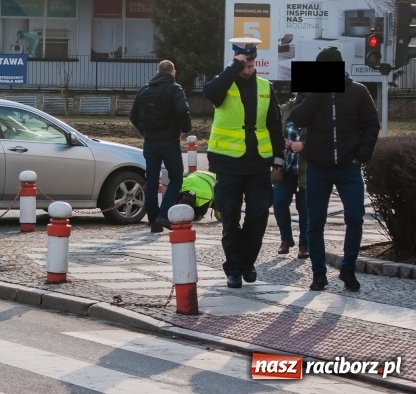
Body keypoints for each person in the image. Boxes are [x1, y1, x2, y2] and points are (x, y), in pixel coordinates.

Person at [289, 47, 379, 292]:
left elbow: (371, 124)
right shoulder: (308, 90)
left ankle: (348, 269)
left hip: (349, 167)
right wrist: (317, 93)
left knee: (355, 218)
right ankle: (319, 273)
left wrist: (361, 156)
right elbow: (298, 118)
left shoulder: (358, 91)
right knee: (315, 221)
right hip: (317, 166)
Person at [204, 38, 284, 289]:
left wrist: (278, 157)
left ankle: (247, 263)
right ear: (235, 62)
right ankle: (234, 269)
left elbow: (274, 124)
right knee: (230, 217)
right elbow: (211, 94)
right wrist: (233, 68)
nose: (247, 71)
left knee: (258, 215)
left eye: (250, 66)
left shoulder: (265, 87)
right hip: (227, 164)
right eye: (243, 65)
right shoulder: (223, 83)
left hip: (257, 163)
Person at [130, 60, 192, 233]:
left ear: (158, 71)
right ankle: (163, 215)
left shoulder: (144, 90)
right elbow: (183, 110)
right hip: (169, 141)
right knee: (176, 178)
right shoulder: (175, 89)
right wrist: (184, 129)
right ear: (173, 72)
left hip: (150, 142)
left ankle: (153, 219)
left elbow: (133, 115)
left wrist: (145, 132)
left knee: (151, 179)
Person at [272, 93, 309, 259]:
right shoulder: (286, 108)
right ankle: (286, 239)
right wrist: (281, 142)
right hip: (286, 166)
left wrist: (304, 145)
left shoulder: (317, 107)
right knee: (279, 201)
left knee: (305, 208)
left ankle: (304, 245)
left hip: (307, 168)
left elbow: (323, 136)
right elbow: (274, 131)